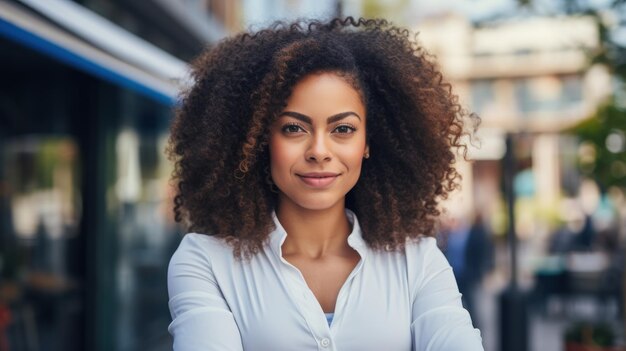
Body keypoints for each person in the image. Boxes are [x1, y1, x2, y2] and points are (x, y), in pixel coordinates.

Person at [166, 17, 484, 350]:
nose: (319, 151)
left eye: (343, 129)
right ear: (259, 139)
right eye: (293, 128)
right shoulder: (206, 262)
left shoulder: (418, 262)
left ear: (368, 142)